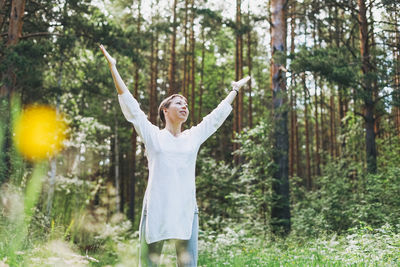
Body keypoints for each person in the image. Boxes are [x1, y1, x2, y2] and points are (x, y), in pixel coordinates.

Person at [100, 44, 250, 267]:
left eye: (186, 104)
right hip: (157, 207)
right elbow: (131, 106)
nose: (184, 106)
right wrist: (113, 67)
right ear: (165, 110)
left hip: (186, 208)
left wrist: (235, 90)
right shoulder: (153, 135)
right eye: (179, 103)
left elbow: (215, 118)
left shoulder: (193, 136)